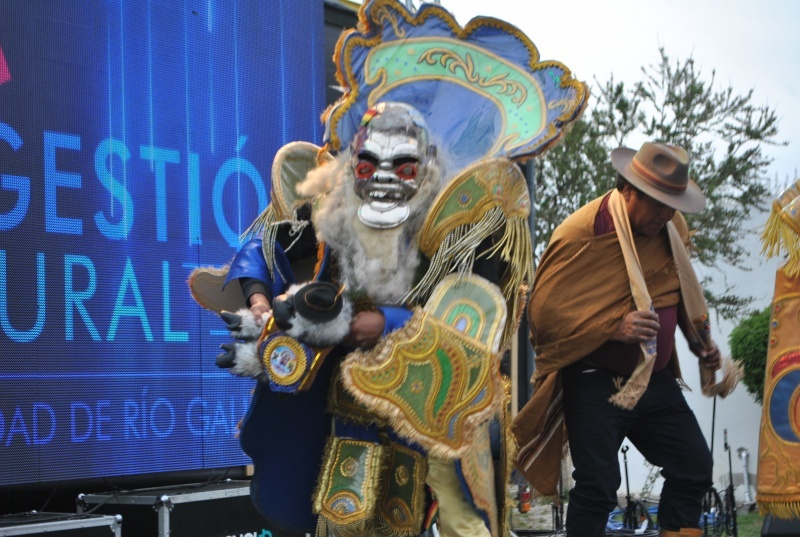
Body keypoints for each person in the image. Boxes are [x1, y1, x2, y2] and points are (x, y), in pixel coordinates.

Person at [513, 142, 738, 537]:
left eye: (673, 206)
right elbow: (545, 315)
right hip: (594, 379)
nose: (666, 215)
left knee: (694, 467)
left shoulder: (671, 227)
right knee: (598, 488)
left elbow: (677, 291)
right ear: (628, 189)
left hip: (653, 379)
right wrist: (613, 328)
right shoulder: (581, 232)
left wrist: (699, 342)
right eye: (658, 204)